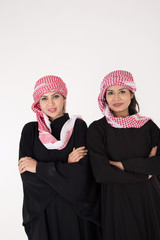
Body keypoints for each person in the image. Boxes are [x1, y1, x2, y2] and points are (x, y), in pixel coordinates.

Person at [18, 75, 101, 240]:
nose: (50, 103)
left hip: (75, 212)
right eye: (44, 98)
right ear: (38, 103)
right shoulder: (30, 131)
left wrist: (38, 167)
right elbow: (27, 177)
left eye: (55, 96)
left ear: (64, 98)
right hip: (43, 214)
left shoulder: (78, 127)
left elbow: (81, 175)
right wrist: (66, 165)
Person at [87, 70, 160, 240]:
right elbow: (101, 172)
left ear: (131, 94)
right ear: (104, 97)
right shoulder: (98, 129)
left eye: (122, 91)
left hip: (150, 201)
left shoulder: (148, 126)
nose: (116, 98)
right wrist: (144, 172)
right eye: (110, 93)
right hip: (117, 205)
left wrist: (122, 165)